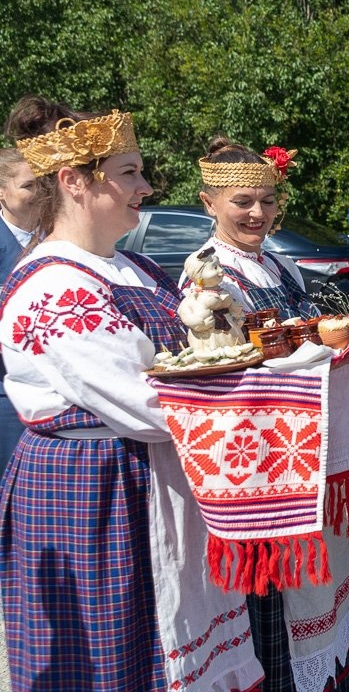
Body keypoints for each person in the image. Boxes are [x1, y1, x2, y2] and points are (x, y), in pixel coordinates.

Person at [0, 97, 262, 690]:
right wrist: (270, 406)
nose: (145, 185)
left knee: (160, 640)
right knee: (112, 651)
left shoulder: (136, 266)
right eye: (129, 173)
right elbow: (145, 399)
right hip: (92, 490)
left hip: (147, 472)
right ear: (73, 181)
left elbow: (203, 349)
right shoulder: (53, 285)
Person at [185, 137, 349, 691]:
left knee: (318, 585)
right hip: (259, 462)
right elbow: (221, 373)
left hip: (303, 445)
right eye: (242, 203)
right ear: (209, 202)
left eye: (267, 201)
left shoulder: (278, 263)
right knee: (274, 603)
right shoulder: (207, 279)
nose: (257, 213)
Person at [0, 148, 37, 468]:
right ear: (2, 191)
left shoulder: (59, 241)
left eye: (44, 185)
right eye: (28, 185)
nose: (39, 194)